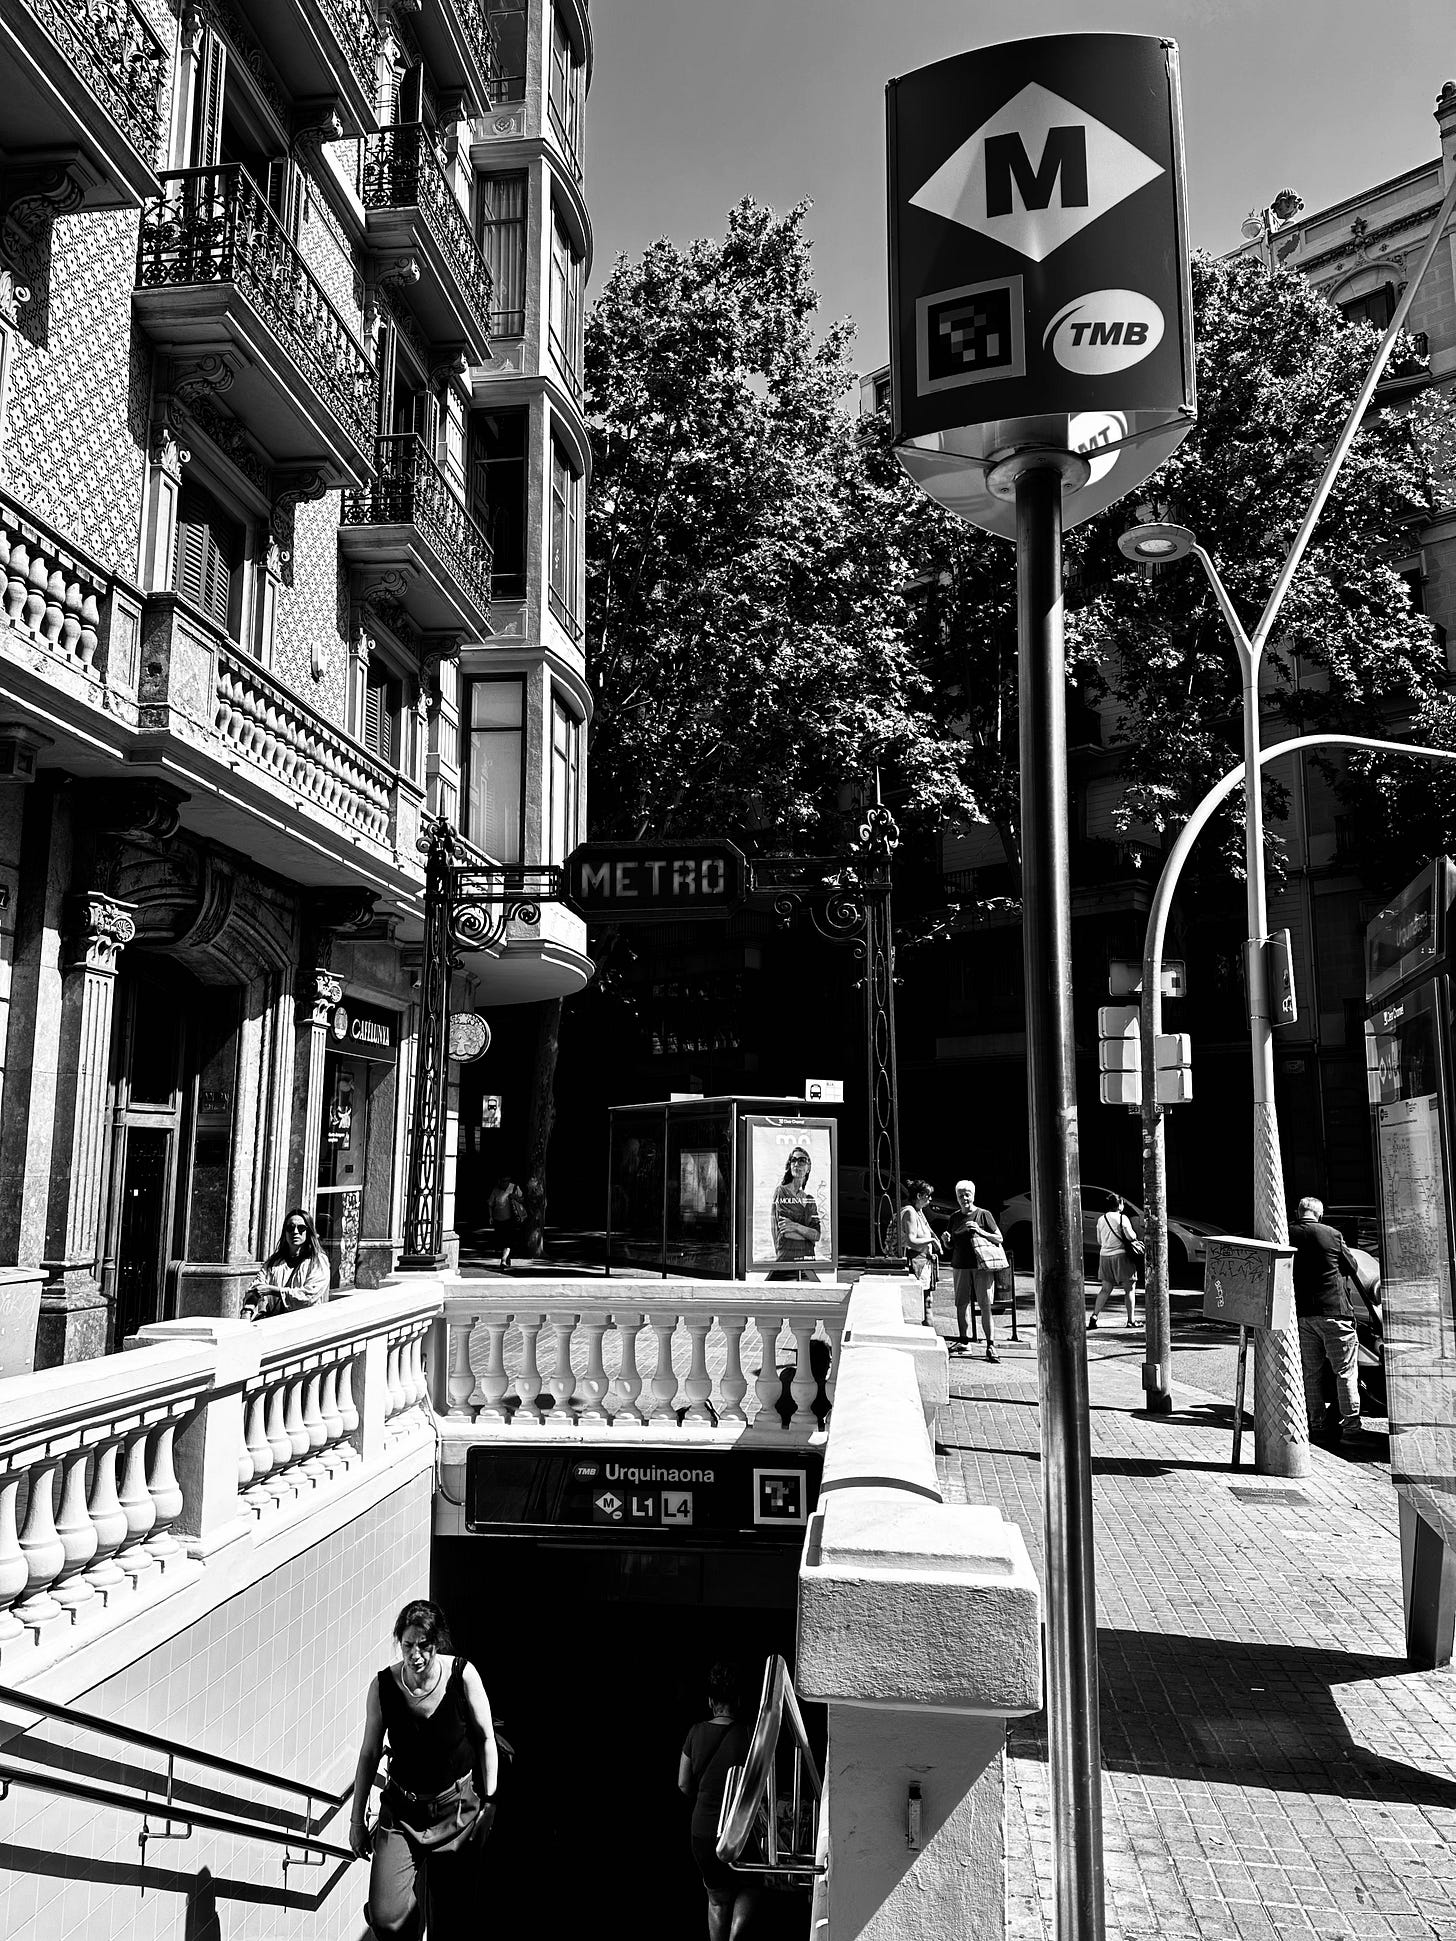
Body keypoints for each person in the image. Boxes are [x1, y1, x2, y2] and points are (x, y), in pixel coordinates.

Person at [350, 1600, 498, 1941]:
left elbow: (486, 1738)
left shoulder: (462, 1675)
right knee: (386, 1918)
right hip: (402, 1812)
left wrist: (490, 1802)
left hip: (456, 1811)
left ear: (437, 1644)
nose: (415, 1655)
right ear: (398, 1642)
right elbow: (369, 1753)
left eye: (424, 1646)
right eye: (407, 1645)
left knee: (452, 1920)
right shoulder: (383, 1687)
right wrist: (357, 1821)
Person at [679, 1664, 756, 1941]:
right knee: (749, 1886)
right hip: (740, 1832)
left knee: (716, 1898)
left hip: (702, 1831)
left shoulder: (695, 1732)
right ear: (738, 1701)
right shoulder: (750, 1735)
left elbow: (683, 1783)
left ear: (710, 1701)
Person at [1291, 1195, 1365, 1443]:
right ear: (1319, 1214)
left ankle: (1317, 1424)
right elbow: (1352, 1266)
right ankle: (1351, 1427)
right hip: (1335, 1311)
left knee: (1310, 1372)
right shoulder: (1332, 1235)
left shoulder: (1287, 1234)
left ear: (1298, 1212)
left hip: (1303, 1314)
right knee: (1344, 1371)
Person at [940, 1179, 1004, 1362]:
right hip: (960, 1265)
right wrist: (946, 1241)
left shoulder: (983, 1215)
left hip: (981, 1267)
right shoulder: (954, 1217)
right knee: (961, 1304)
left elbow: (999, 1238)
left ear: (973, 1195)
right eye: (960, 1195)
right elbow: (952, 1246)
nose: (964, 1198)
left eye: (967, 1194)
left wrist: (980, 1231)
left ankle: (990, 1345)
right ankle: (964, 1341)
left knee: (985, 1305)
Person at [239, 1207, 330, 1320]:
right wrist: (247, 1311)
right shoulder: (274, 1261)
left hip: (304, 1323)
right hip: (275, 1323)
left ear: (309, 1231)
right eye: (290, 1228)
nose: (295, 1232)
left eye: (301, 1228)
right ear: (285, 1232)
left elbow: (308, 1296)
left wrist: (274, 1290)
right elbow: (256, 1287)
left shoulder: (318, 1261)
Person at [1088, 1196, 1141, 1331]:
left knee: (1105, 1289)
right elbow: (1131, 1236)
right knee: (1129, 1288)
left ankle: (1094, 1315)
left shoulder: (1101, 1219)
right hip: (1121, 1256)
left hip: (1104, 1256)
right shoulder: (1122, 1218)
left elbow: (1100, 1240)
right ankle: (1131, 1320)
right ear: (1120, 1205)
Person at [769, 1147, 821, 1281]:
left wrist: (796, 1226)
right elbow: (786, 1232)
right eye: (793, 1160)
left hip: (808, 1261)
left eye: (802, 1160)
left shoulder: (809, 1199)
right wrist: (808, 1234)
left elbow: (817, 1235)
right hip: (786, 1260)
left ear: (808, 1168)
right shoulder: (781, 1192)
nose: (797, 1164)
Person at [487, 1175, 526, 1273]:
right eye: (503, 1181)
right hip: (498, 1219)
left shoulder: (515, 1188)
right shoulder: (496, 1190)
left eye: (506, 1181)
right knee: (501, 1241)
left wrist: (515, 1197)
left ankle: (503, 1260)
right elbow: (490, 1204)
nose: (504, 1183)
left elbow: (523, 1200)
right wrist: (491, 1217)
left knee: (507, 1241)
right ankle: (506, 1258)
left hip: (511, 1219)